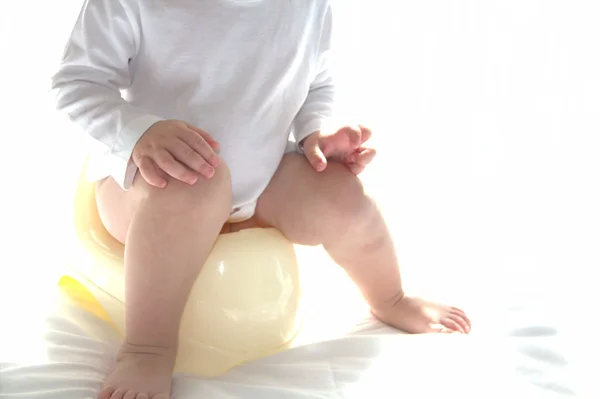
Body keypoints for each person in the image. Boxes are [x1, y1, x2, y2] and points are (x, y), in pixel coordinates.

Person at [51, 1, 471, 398]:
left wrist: (316, 132)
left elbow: (317, 82)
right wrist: (139, 132)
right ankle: (147, 347)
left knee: (339, 194)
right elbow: (77, 83)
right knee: (195, 187)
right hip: (151, 184)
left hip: (260, 174)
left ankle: (390, 297)